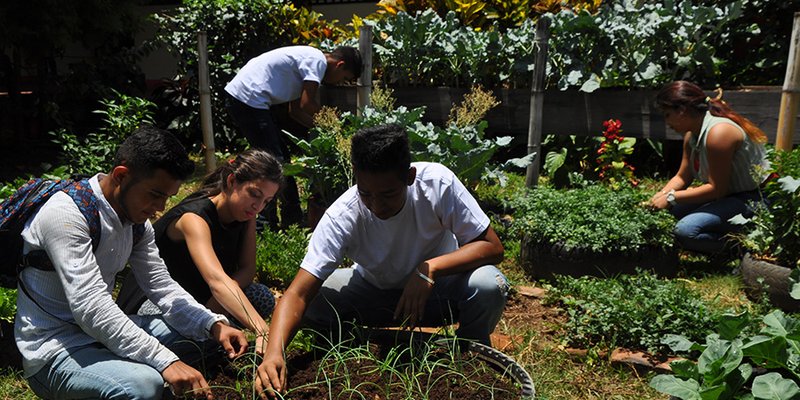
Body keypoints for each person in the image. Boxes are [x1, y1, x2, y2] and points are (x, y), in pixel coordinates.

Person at [254, 124, 509, 398]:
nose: (376, 205)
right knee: (314, 300)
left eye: (388, 194)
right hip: (372, 292)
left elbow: (492, 247)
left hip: (437, 294)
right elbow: (297, 293)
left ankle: (470, 359)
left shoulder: (437, 184)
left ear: (409, 177)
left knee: (489, 284)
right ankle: (349, 345)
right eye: (366, 193)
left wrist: (430, 268)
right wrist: (274, 353)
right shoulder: (343, 215)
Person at [15, 127, 248, 400]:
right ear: (121, 176)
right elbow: (90, 307)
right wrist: (165, 360)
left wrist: (212, 324)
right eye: (155, 194)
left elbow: (161, 286)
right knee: (142, 387)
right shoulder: (66, 215)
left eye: (167, 197)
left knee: (211, 340)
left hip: (101, 336)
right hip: (56, 348)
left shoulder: (136, 223)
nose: (160, 208)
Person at [134, 149, 283, 356]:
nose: (258, 206)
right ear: (232, 181)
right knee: (185, 337)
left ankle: (209, 335)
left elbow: (248, 269)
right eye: (254, 194)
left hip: (204, 298)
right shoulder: (194, 218)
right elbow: (216, 280)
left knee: (262, 297)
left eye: (267, 201)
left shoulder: (247, 215)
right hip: (161, 301)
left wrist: (212, 307)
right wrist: (262, 329)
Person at [225, 45, 363, 229]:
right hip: (248, 98)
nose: (339, 83)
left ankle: (291, 216)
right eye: (344, 78)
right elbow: (307, 104)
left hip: (246, 98)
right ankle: (265, 223)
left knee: (282, 159)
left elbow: (296, 111)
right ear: (340, 65)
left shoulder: (310, 61)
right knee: (274, 162)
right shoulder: (318, 62)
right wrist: (333, 121)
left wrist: (322, 131)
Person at [649, 80, 770, 256]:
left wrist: (671, 197)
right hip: (728, 197)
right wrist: (659, 198)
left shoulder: (719, 133)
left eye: (667, 114)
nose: (667, 122)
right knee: (666, 216)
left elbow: (716, 190)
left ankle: (745, 246)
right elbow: (682, 177)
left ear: (681, 111)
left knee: (686, 230)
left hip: (752, 200)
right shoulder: (692, 135)